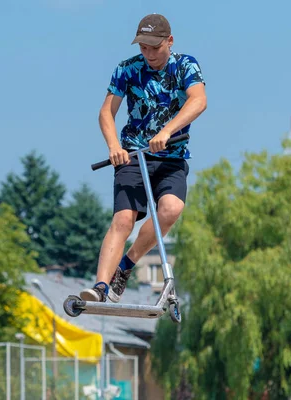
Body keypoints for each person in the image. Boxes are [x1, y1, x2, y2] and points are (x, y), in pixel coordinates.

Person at [80, 13, 207, 303]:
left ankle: (126, 265)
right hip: (133, 156)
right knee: (123, 220)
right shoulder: (127, 69)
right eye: (143, 47)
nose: (148, 54)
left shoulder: (185, 65)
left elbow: (198, 100)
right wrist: (114, 145)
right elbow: (106, 112)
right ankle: (100, 286)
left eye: (154, 47)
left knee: (171, 209)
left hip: (171, 155)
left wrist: (167, 131)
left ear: (169, 41)